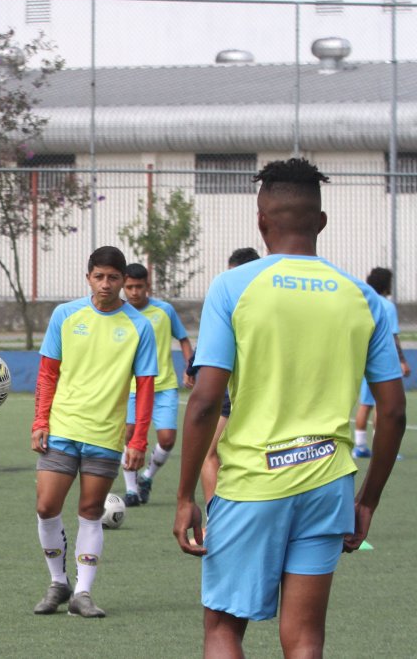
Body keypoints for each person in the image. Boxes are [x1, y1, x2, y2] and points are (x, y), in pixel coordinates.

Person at [174, 158, 406, 657]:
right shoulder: (363, 297)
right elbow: (392, 412)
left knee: (222, 630)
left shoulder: (233, 287)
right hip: (328, 484)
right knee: (303, 638)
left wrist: (184, 495)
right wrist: (367, 500)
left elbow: (205, 400)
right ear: (321, 221)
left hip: (254, 482)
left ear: (261, 222)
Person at [30, 246, 157, 618]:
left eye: (113, 278)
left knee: (90, 510)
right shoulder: (66, 315)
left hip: (105, 434)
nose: (106, 284)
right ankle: (58, 582)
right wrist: (40, 421)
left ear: (122, 281)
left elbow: (146, 386)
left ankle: (82, 593)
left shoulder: (139, 326)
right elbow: (48, 372)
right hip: (63, 427)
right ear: (88, 277)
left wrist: (138, 440)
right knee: (46, 506)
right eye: (99, 277)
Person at [119, 262, 194, 507]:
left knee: (168, 439)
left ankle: (147, 477)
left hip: (164, 386)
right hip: (131, 388)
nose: (133, 292)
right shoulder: (118, 313)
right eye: (129, 287)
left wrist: (189, 365)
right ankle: (131, 491)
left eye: (139, 287)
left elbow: (183, 339)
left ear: (147, 286)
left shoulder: (164, 310)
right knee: (128, 437)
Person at [193, 247, 261, 503]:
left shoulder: (229, 298)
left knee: (208, 455)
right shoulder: (267, 302)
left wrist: (194, 366)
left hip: (231, 394)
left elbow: (214, 345)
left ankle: (216, 525)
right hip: (260, 397)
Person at [352, 267, 410, 458]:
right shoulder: (387, 305)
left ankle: (359, 446)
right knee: (382, 405)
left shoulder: (364, 300)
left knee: (365, 404)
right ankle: (382, 448)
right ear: (387, 284)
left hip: (363, 358)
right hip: (381, 361)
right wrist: (402, 361)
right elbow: (393, 336)